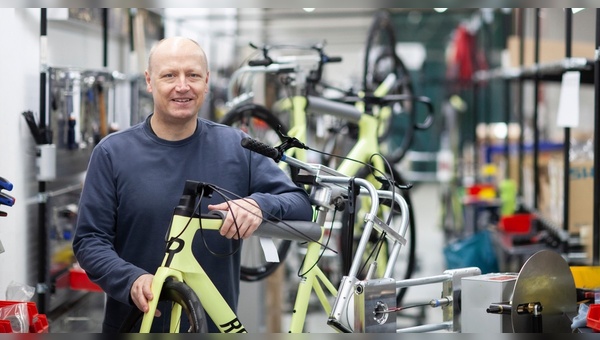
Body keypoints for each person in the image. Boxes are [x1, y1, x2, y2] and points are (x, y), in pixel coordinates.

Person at [72, 36, 313, 333]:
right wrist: (131, 279)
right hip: (135, 326)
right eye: (169, 75)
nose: (182, 86)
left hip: (212, 328)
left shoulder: (237, 147)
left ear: (207, 81)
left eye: (193, 75)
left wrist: (259, 205)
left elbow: (300, 204)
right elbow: (89, 241)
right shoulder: (112, 153)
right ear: (150, 81)